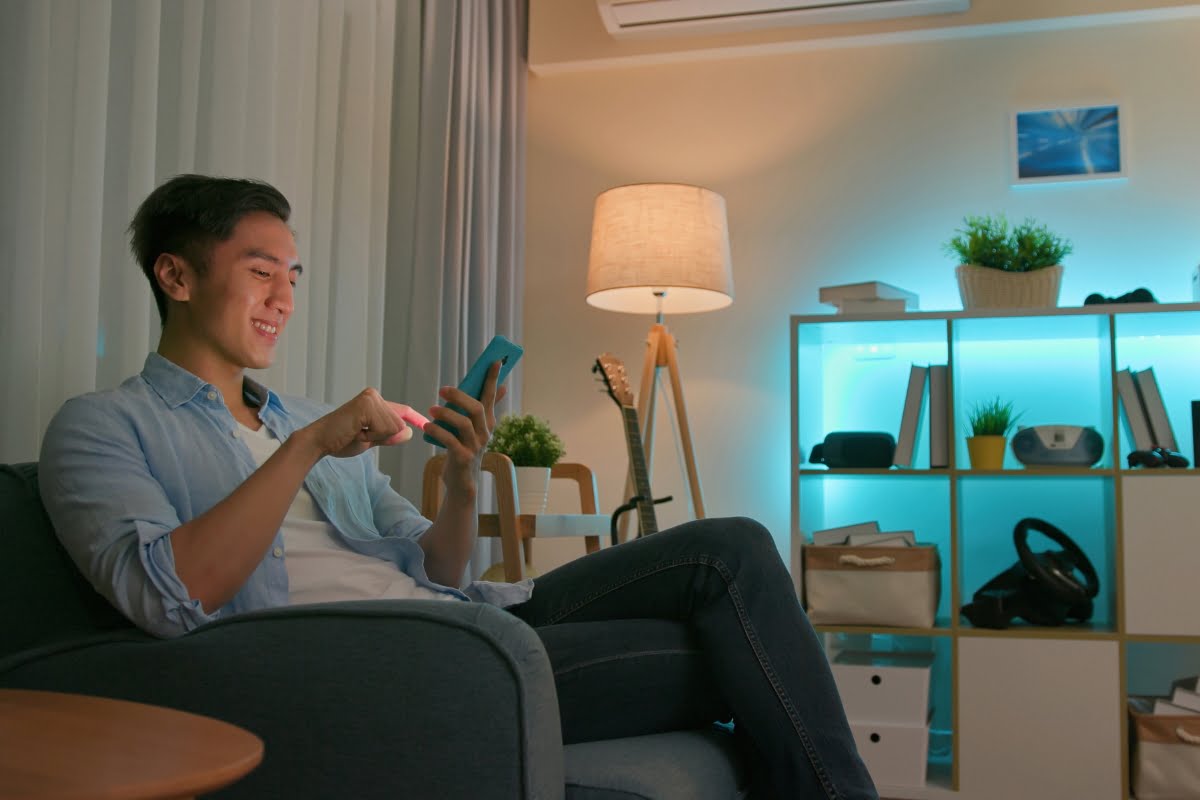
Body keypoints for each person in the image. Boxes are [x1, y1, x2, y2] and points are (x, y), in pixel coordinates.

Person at [39, 174, 878, 800]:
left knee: (729, 549)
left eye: (293, 276)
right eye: (261, 271)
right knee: (749, 651)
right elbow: (167, 595)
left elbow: (436, 566)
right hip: (401, 661)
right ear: (177, 277)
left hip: (470, 613)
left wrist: (464, 483)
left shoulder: (299, 415)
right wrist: (303, 449)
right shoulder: (102, 426)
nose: (283, 298)